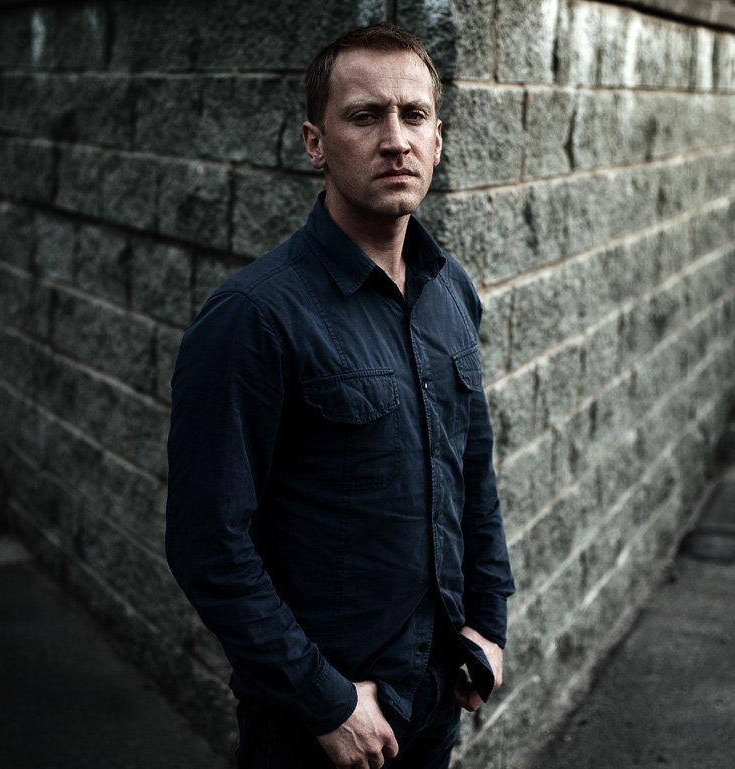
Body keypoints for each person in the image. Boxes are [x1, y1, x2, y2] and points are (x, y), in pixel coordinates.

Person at [165, 22, 514, 769]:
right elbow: (209, 542)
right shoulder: (254, 317)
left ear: (438, 139)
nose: (395, 140)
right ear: (314, 143)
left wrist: (488, 625)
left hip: (437, 694)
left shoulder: (450, 290)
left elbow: (471, 472)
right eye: (365, 116)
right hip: (320, 721)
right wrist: (324, 700)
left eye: (414, 115)